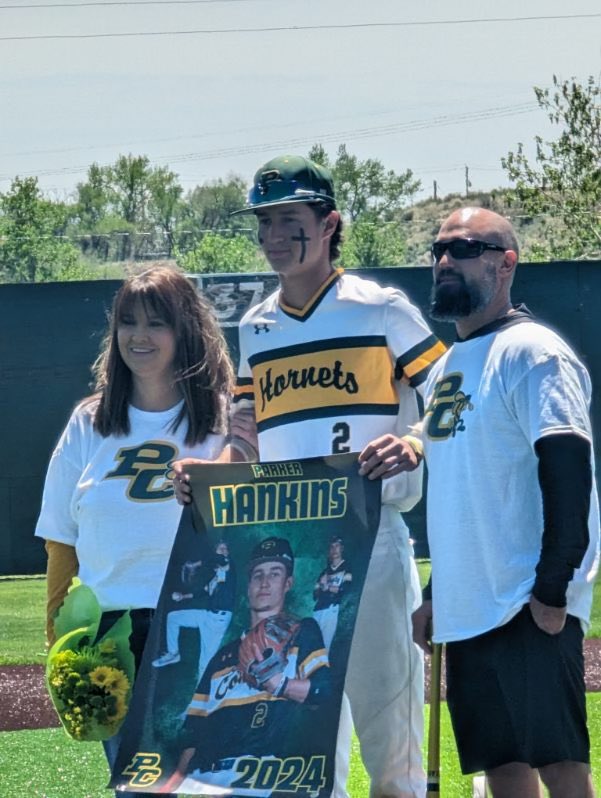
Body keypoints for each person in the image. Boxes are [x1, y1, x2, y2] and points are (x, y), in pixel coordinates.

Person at [174, 154, 447, 798]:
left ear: (329, 225)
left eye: (288, 220)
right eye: (264, 222)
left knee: (390, 736)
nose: (272, 238)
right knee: (302, 742)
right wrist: (208, 476)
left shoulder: (381, 309)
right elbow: (245, 446)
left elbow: (452, 399)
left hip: (373, 541)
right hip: (297, 555)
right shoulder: (257, 328)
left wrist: (412, 442)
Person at [411, 207, 601, 798]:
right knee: (502, 769)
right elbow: (460, 494)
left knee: (559, 764)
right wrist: (438, 592)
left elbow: (569, 472)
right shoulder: (446, 367)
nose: (446, 261)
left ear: (506, 263)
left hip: (525, 600)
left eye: (465, 248)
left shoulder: (534, 352)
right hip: (469, 607)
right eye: (438, 250)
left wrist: (551, 589)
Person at [34, 266, 234, 797]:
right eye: (128, 322)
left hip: (205, 625)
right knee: (138, 788)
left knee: (210, 786)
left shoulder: (223, 419)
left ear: (186, 330)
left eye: (156, 323)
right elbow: (61, 539)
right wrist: (59, 637)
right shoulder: (89, 421)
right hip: (112, 635)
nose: (139, 337)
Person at [164, 536, 331, 794]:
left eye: (275, 574)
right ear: (247, 586)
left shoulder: (302, 630)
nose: (264, 582)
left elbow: (324, 692)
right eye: (257, 575)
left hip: (261, 776)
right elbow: (194, 731)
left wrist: (279, 684)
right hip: (207, 780)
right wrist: (173, 784)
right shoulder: (224, 654)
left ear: (288, 583)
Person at [152, 540, 236, 680]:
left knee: (204, 665)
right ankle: (173, 653)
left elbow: (219, 559)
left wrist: (193, 565)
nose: (223, 551)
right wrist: (182, 596)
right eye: (220, 548)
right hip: (207, 615)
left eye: (225, 549)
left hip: (218, 621)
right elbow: (201, 592)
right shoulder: (215, 578)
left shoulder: (228, 566)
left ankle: (204, 698)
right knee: (173, 617)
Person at [313, 535, 352, 652]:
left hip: (332, 609)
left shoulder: (347, 568)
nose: (334, 549)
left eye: (337, 546)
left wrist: (327, 587)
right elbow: (314, 595)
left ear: (342, 548)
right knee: (313, 644)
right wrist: (320, 585)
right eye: (332, 546)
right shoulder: (324, 572)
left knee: (325, 646)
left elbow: (344, 589)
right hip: (318, 610)